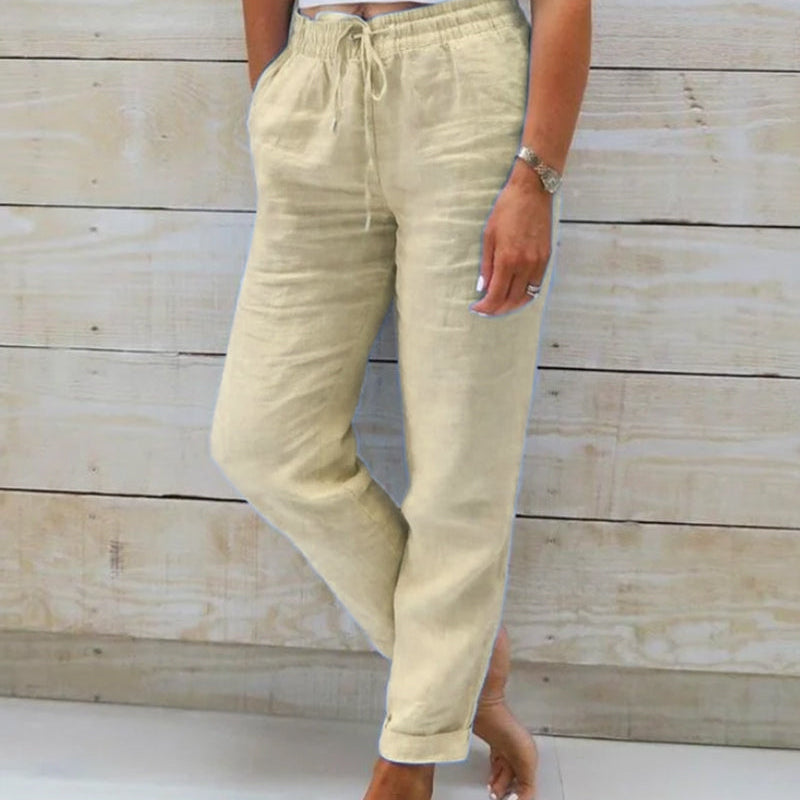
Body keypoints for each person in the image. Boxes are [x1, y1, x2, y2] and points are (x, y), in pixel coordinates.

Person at [210, 0, 591, 798]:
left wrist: (537, 176)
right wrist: (273, 95)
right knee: (262, 442)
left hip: (466, 91)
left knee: (459, 467)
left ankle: (410, 757)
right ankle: (466, 671)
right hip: (315, 79)